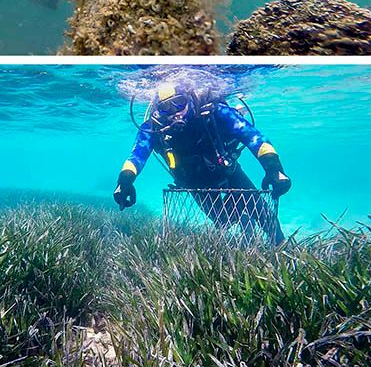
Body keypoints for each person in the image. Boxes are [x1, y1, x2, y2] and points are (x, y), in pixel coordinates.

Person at [113, 81, 291, 245]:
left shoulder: (216, 112)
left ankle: (282, 246)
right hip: (193, 183)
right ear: (158, 111)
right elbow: (137, 155)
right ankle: (243, 219)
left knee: (263, 214)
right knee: (222, 221)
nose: (175, 112)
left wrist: (274, 168)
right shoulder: (152, 128)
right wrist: (125, 181)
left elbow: (254, 137)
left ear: (190, 99)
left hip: (228, 171)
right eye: (166, 108)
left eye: (179, 103)